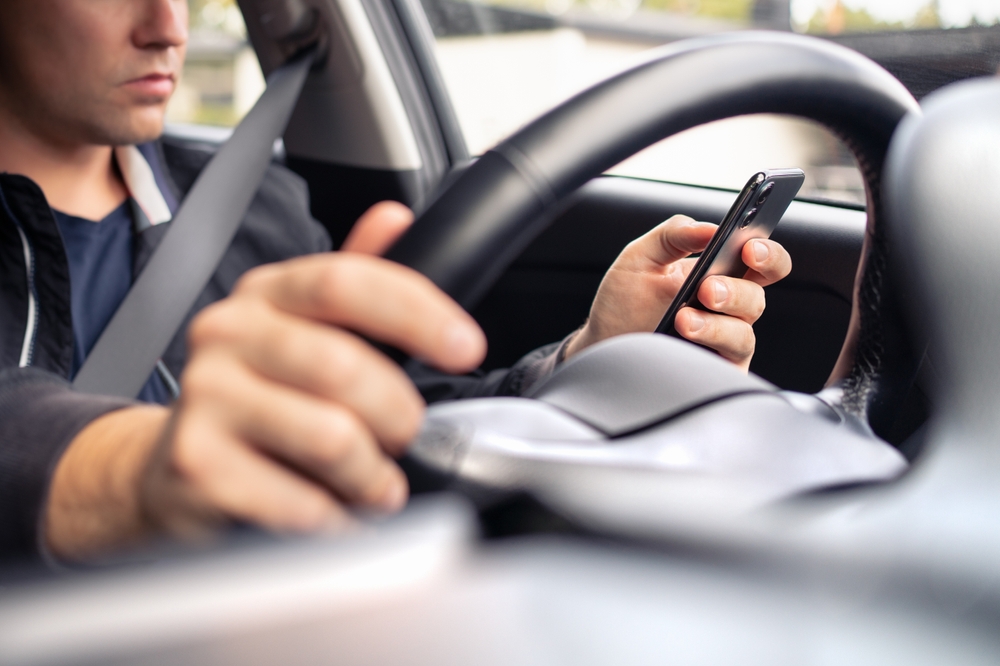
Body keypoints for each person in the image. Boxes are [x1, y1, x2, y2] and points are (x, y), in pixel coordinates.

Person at [0, 0, 792, 564]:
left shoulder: (253, 202)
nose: (166, 27)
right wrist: (135, 471)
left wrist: (591, 359)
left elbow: (393, 424)